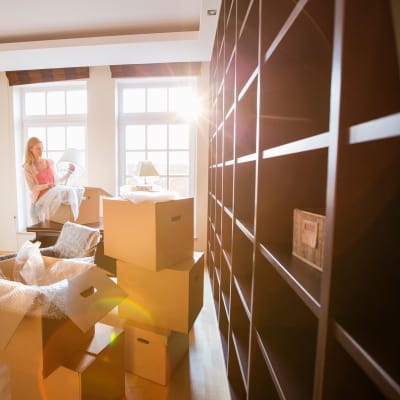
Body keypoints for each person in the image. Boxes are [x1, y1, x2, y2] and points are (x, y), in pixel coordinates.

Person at [23, 136, 81, 223]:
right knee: (40, 235)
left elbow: (57, 181)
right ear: (30, 149)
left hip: (50, 204)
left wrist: (69, 173)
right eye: (38, 148)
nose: (41, 151)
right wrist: (47, 185)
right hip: (37, 206)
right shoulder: (28, 167)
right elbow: (32, 188)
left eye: (42, 148)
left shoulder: (49, 162)